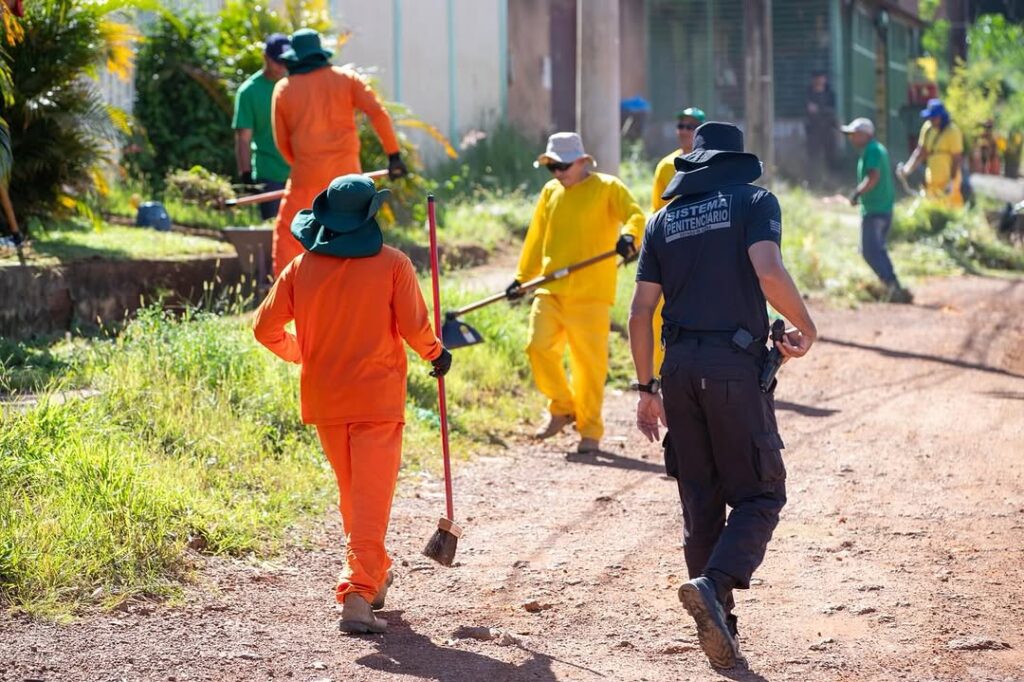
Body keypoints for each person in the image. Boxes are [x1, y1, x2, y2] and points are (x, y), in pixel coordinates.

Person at [628, 122, 817, 670]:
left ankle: (722, 624)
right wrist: (805, 324)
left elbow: (641, 312)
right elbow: (768, 269)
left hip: (679, 370)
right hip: (732, 368)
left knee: (701, 500)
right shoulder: (755, 201)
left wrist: (646, 388)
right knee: (761, 494)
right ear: (737, 164)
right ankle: (712, 584)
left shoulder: (662, 219)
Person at [253, 174, 451, 634]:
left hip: (325, 400)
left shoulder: (300, 268)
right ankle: (357, 595)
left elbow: (265, 330)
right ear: (368, 217)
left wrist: (303, 352)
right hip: (377, 401)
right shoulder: (394, 265)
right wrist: (437, 354)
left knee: (356, 498)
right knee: (368, 499)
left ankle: (376, 570)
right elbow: (416, 329)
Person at [507, 132, 645, 454]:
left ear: (583, 161)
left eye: (563, 166)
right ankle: (563, 406)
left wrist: (629, 238)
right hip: (550, 288)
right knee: (537, 346)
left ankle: (590, 432)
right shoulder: (550, 192)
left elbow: (635, 215)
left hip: (591, 294)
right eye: (552, 167)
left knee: (589, 367)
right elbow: (536, 237)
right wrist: (521, 278)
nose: (558, 173)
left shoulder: (608, 188)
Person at [270, 28, 408, 276]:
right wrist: (394, 155)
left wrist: (305, 163)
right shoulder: (347, 79)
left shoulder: (284, 89)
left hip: (305, 177)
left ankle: (290, 302)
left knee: (289, 238)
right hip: (348, 184)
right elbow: (378, 113)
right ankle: (359, 290)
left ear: (295, 58)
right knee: (353, 236)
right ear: (320, 53)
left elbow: (282, 143)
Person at [649, 106, 706, 377]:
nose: (684, 131)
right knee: (662, 314)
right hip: (672, 251)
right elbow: (656, 212)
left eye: (691, 126)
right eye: (681, 125)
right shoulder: (665, 166)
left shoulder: (710, 163)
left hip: (704, 250)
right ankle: (661, 374)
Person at [840, 117, 912, 303]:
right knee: (877, 249)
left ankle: (891, 285)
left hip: (875, 209)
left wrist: (857, 193)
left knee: (869, 251)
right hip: (883, 206)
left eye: (854, 134)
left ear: (866, 134)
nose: (851, 138)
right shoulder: (877, 149)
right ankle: (892, 285)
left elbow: (873, 177)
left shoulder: (872, 150)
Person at [232, 33, 292, 221]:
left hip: (300, 173)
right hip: (270, 175)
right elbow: (243, 139)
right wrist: (246, 176)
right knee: (274, 235)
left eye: (286, 61)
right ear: (265, 57)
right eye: (277, 62)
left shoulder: (296, 85)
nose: (282, 67)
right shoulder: (249, 91)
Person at [899, 98, 964, 208]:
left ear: (942, 117)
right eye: (930, 117)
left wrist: (952, 182)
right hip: (932, 180)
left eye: (934, 117)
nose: (931, 120)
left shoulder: (953, 131)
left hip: (948, 182)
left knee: (950, 210)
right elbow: (921, 152)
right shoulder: (928, 128)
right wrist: (907, 169)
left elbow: (956, 158)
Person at [804, 70, 837, 183]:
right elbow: (807, 110)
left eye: (821, 78)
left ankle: (831, 180)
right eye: (817, 78)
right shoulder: (808, 93)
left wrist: (819, 110)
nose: (819, 81)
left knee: (830, 156)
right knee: (813, 156)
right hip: (813, 130)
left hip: (828, 128)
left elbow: (831, 110)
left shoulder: (830, 93)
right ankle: (813, 180)